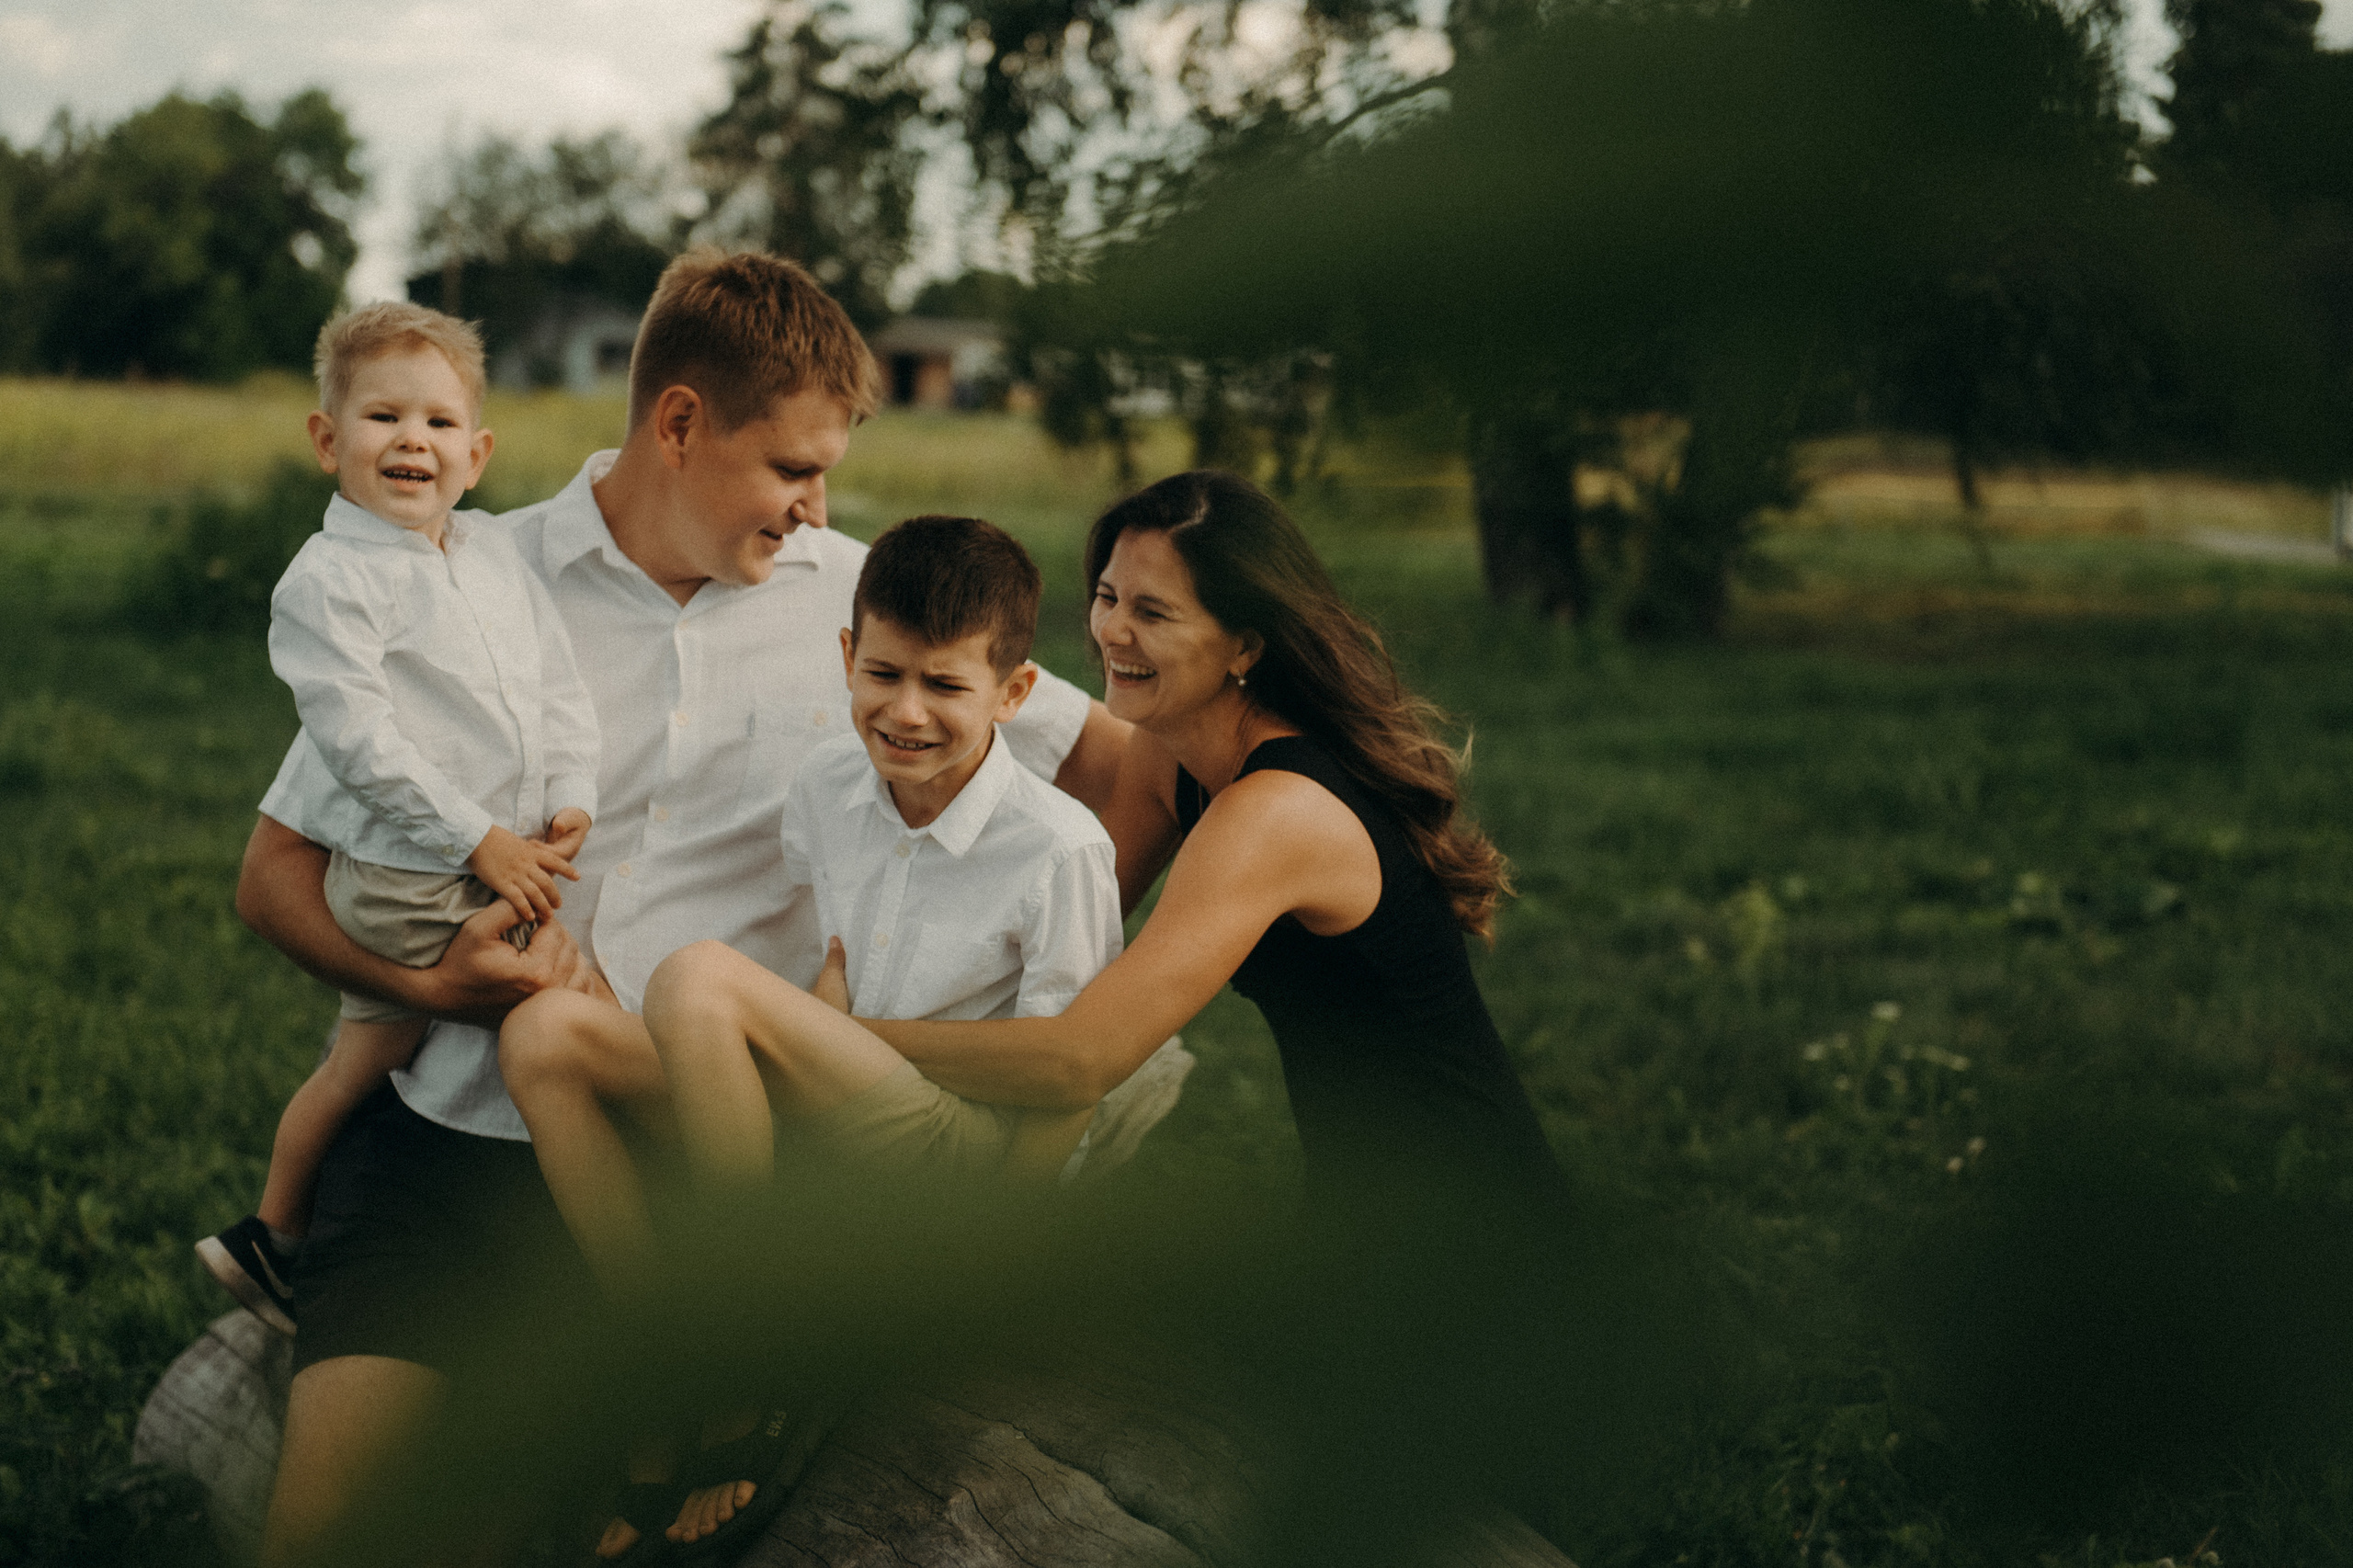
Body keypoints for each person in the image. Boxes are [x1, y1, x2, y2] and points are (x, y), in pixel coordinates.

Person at [233, 250, 1129, 1568]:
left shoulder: (862, 600)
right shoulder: (470, 577)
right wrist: (438, 990)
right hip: (452, 1134)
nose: (816, 505)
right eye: (791, 469)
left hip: (699, 1140)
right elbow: (272, 878)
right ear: (681, 423)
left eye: (824, 473)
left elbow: (1116, 765)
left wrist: (1066, 1003)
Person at [501, 512, 1123, 1559]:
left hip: (954, 1151)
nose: (906, 710)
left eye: (946, 684)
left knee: (697, 976)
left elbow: (1068, 1078)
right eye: (882, 673)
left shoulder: (1058, 849)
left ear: (1013, 694)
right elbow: (835, 957)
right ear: (845, 655)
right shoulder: (831, 785)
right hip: (844, 1110)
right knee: (543, 1036)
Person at [199, 302, 600, 1337]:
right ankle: (604, 1253)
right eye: (382, 416)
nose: (412, 439)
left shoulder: (492, 558)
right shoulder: (327, 582)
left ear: (477, 452)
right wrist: (480, 839)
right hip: (408, 870)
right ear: (328, 441)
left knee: (366, 1051)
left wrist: (570, 795)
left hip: (492, 850)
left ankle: (270, 1236)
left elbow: (555, 683)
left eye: (436, 421)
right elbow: (361, 742)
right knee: (557, 998)